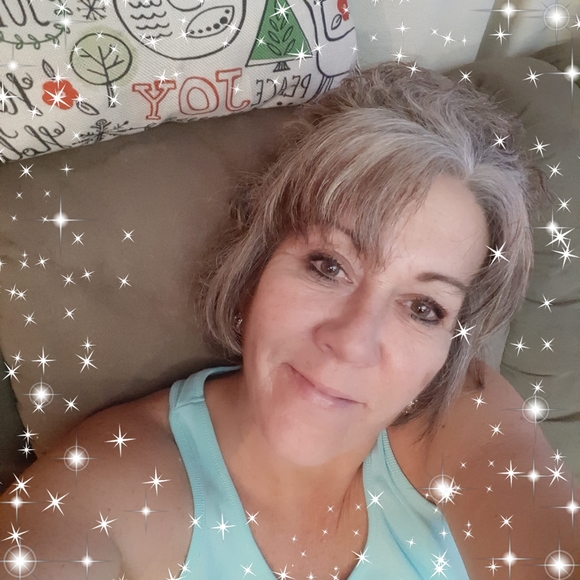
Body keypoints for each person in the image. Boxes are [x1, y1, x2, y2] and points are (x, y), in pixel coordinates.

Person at [1, 62, 578, 580]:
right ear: (258, 261)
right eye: (329, 266)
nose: (353, 343)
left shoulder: (457, 413)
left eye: (423, 308)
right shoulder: (114, 486)